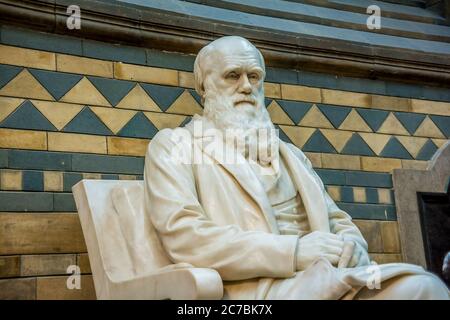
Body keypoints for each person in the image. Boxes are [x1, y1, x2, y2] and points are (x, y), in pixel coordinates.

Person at [143, 36, 449, 300]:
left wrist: (352, 248)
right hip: (255, 290)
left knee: (423, 288)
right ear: (204, 87)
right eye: (232, 75)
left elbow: (338, 221)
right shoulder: (176, 145)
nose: (247, 86)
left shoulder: (290, 155)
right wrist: (293, 252)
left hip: (330, 278)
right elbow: (186, 237)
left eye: (254, 76)